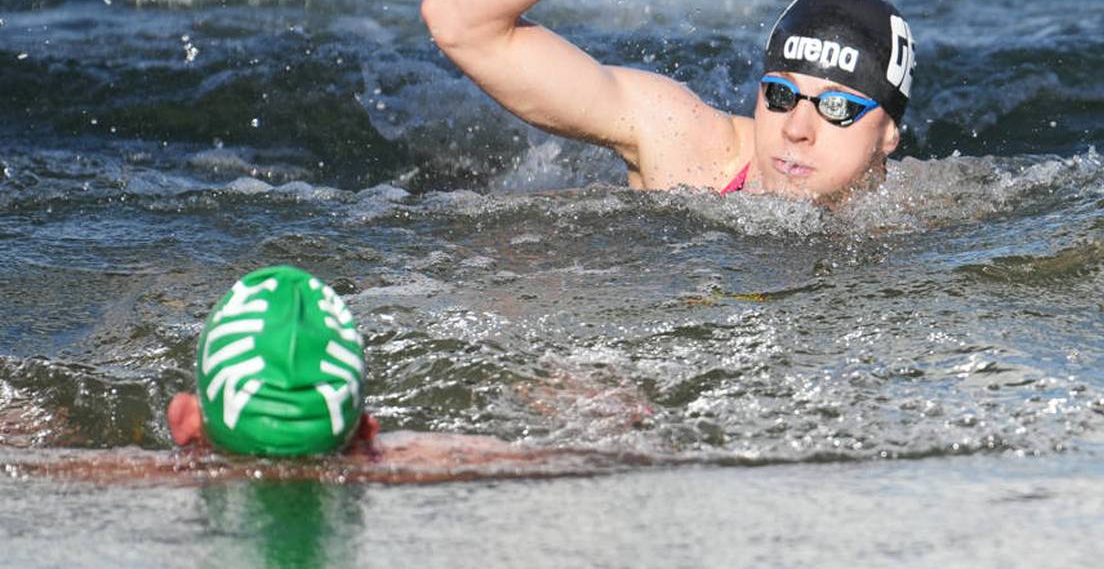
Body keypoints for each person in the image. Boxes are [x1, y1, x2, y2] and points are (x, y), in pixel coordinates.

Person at [420, 0, 916, 204]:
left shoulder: (924, 215)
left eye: (836, 107)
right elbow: (461, 21)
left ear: (889, 133)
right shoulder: (687, 149)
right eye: (781, 95)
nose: (796, 130)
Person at [1, 266, 646, 485]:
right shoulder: (420, 462)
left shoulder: (128, 480)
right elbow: (613, 453)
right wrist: (613, 407)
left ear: (185, 420)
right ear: (368, 430)